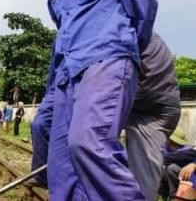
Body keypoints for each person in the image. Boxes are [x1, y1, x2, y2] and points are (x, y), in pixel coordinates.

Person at [9, 0, 158, 200]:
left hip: (105, 58)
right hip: (66, 77)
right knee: (62, 167)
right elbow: (61, 42)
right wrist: (51, 90)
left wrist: (132, 49)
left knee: (90, 145)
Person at [27, 33, 181, 200]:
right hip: (139, 98)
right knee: (77, 146)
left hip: (149, 104)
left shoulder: (118, 31)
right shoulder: (73, 36)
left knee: (87, 147)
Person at [159, 127, 196, 199]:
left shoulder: (186, 151)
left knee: (171, 168)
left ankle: (174, 195)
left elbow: (165, 158)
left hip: (186, 179)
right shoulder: (167, 148)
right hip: (176, 178)